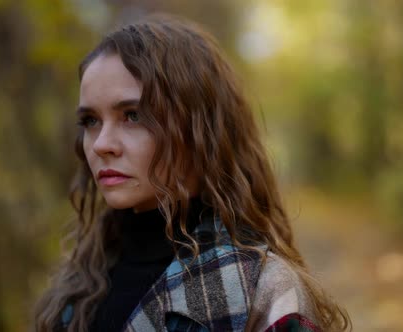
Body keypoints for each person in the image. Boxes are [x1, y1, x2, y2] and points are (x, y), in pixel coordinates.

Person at [33, 14, 349, 332]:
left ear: (201, 130)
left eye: (132, 115)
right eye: (90, 121)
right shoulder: (81, 283)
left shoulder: (264, 292)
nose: (101, 144)